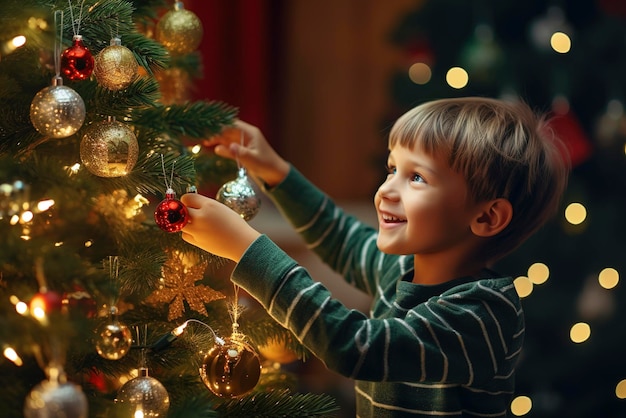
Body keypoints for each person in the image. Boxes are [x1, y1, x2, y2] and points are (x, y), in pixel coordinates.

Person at [180, 97, 569, 417]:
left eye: (416, 177)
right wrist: (276, 172)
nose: (386, 191)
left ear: (486, 217)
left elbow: (354, 346)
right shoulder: (401, 269)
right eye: (392, 168)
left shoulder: (482, 313)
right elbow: (338, 236)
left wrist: (248, 250)